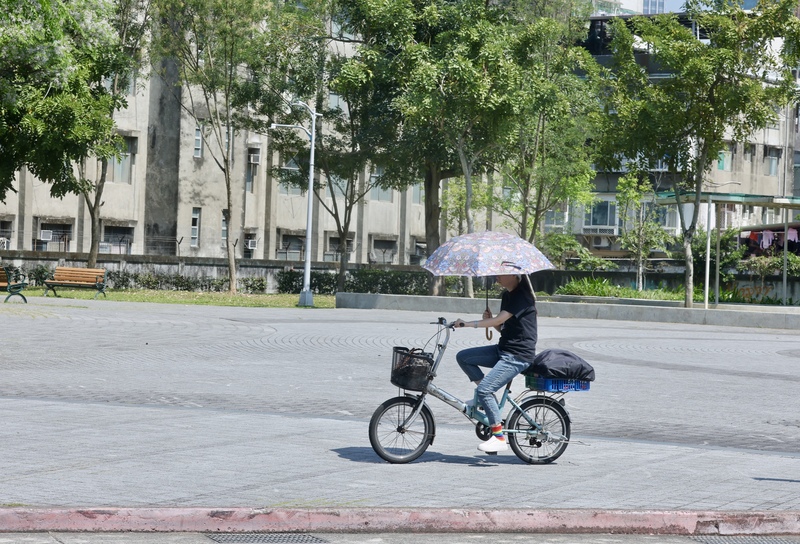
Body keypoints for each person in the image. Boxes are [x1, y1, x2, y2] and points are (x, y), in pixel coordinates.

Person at [453, 274, 537, 453]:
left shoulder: (522, 296)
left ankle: (499, 437)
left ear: (514, 275)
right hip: (503, 350)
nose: (496, 277)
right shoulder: (507, 295)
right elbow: (502, 326)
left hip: (517, 356)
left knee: (484, 389)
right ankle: (487, 401)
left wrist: (467, 324)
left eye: (500, 274)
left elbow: (499, 320)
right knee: (463, 357)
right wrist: (490, 320)